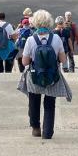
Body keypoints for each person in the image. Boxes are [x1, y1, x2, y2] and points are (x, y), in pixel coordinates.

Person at [18, 9, 71, 139]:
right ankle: (47, 132)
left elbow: (25, 62)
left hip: (35, 75)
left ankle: (36, 128)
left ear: (35, 23)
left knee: (34, 101)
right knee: (50, 103)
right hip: (52, 76)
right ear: (49, 22)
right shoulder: (56, 38)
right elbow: (64, 59)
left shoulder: (31, 39)